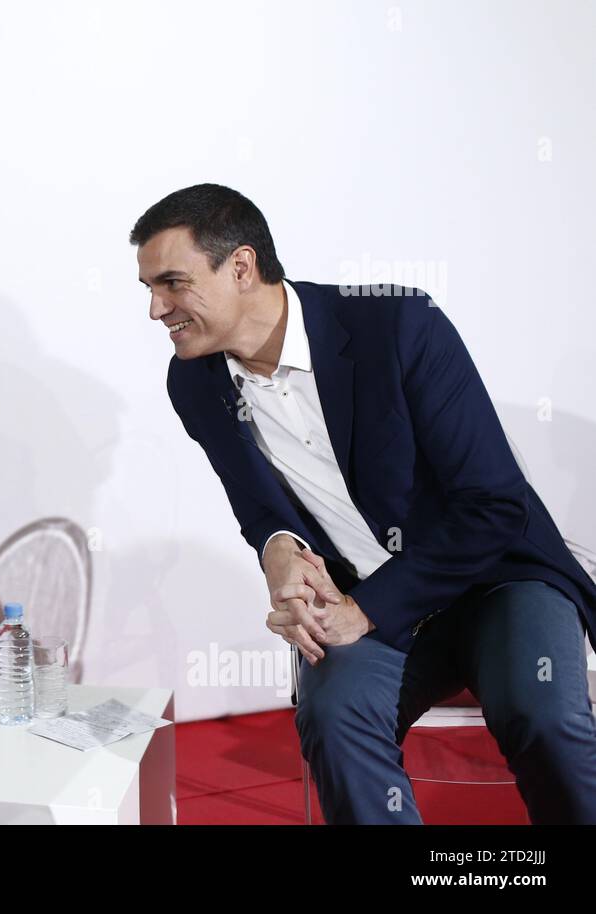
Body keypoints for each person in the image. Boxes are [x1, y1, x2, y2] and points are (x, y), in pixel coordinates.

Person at [135, 183, 596, 823]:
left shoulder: (398, 324)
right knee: (333, 716)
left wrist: (364, 610)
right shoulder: (193, 378)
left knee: (541, 711)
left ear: (240, 267)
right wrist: (278, 553)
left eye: (172, 283)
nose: (156, 309)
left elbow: (493, 505)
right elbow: (258, 506)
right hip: (363, 598)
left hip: (498, 580)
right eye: (148, 289)